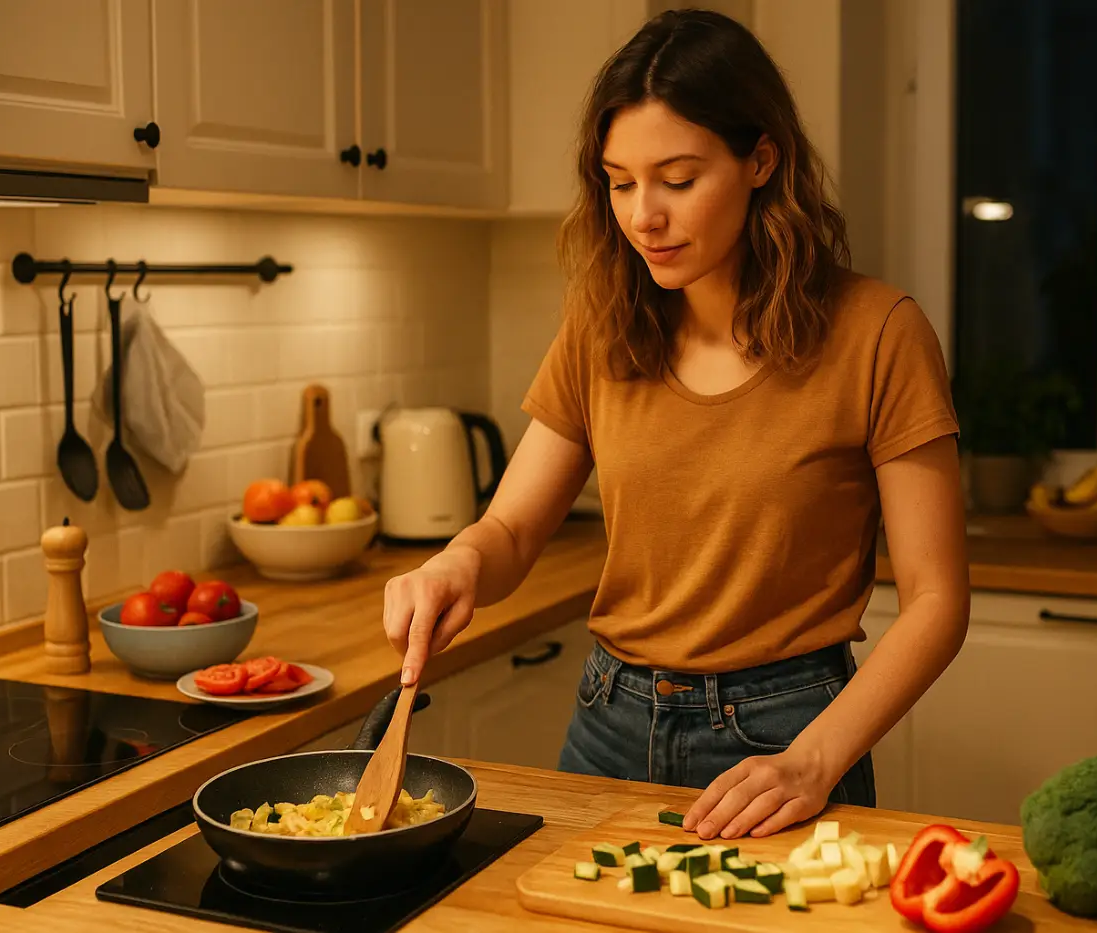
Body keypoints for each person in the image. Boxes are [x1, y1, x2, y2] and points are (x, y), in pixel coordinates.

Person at [383, 9, 970, 842]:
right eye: (620, 182)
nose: (643, 216)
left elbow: (937, 600)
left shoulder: (878, 333)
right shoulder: (602, 324)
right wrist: (457, 563)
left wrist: (813, 759)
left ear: (761, 159)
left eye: (678, 179)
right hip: (607, 722)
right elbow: (511, 529)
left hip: (787, 737)